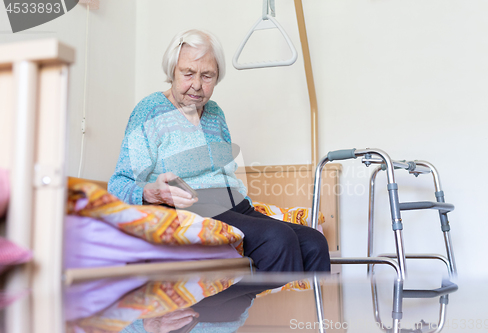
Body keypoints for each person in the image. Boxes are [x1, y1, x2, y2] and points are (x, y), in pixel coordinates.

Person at [109, 29, 330, 272]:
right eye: (188, 73)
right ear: (172, 71)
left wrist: (245, 206)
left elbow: (226, 175)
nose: (196, 85)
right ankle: (269, 308)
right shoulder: (150, 111)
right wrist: (153, 193)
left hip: (231, 204)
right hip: (188, 207)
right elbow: (119, 184)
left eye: (207, 76)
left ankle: (311, 311)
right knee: (276, 238)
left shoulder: (215, 113)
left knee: (313, 242)